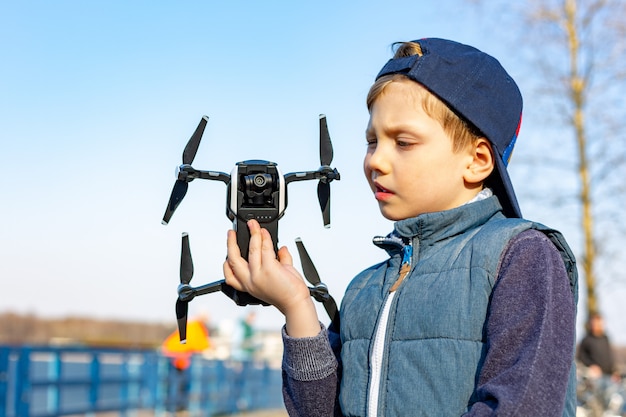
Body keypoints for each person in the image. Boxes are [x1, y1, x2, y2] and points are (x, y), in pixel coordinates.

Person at [223, 38, 578, 416]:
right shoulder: (363, 287)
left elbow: (521, 407)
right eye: (372, 141)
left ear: (476, 160)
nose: (376, 161)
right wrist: (297, 307)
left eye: (403, 142)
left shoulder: (522, 256)